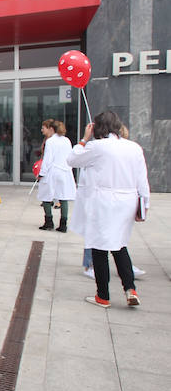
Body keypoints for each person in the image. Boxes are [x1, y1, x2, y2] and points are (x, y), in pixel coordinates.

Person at [67, 111, 149, 308]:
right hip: (127, 201)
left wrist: (84, 139)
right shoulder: (134, 147)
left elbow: (72, 159)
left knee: (99, 247)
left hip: (104, 201)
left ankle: (102, 295)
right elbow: (142, 181)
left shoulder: (98, 147)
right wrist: (144, 206)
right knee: (119, 245)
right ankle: (130, 288)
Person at [36, 119, 76, 232]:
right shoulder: (67, 140)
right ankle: (63, 224)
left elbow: (48, 159)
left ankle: (48, 222)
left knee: (46, 196)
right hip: (65, 171)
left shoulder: (51, 141)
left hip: (52, 172)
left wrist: (42, 173)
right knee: (63, 197)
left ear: (51, 129)